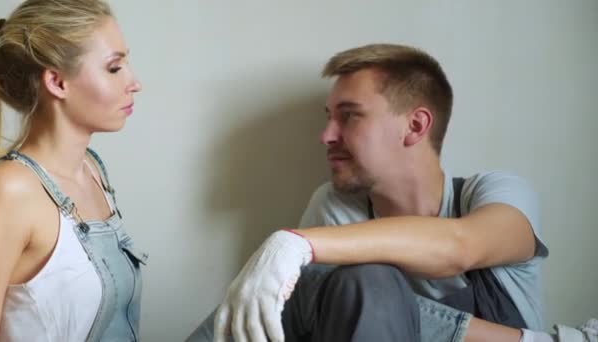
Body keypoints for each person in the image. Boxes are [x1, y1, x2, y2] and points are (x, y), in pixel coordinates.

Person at [189, 44, 591, 342]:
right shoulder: (333, 208)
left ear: (415, 126)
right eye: (328, 118)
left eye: (349, 116)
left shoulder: (493, 193)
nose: (326, 136)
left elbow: (460, 246)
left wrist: (294, 245)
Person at [0, 1, 147, 341]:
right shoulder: (9, 190)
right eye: (114, 68)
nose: (135, 83)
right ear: (57, 82)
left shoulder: (92, 170)